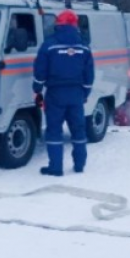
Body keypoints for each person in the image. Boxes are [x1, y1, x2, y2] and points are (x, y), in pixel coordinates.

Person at [33, 10, 95, 176]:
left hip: (55, 94)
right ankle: (79, 165)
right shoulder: (84, 46)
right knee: (78, 130)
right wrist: (85, 92)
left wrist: (37, 89)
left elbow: (40, 71)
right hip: (76, 94)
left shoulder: (49, 45)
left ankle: (55, 167)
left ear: (58, 24)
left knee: (54, 130)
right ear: (75, 25)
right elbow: (89, 74)